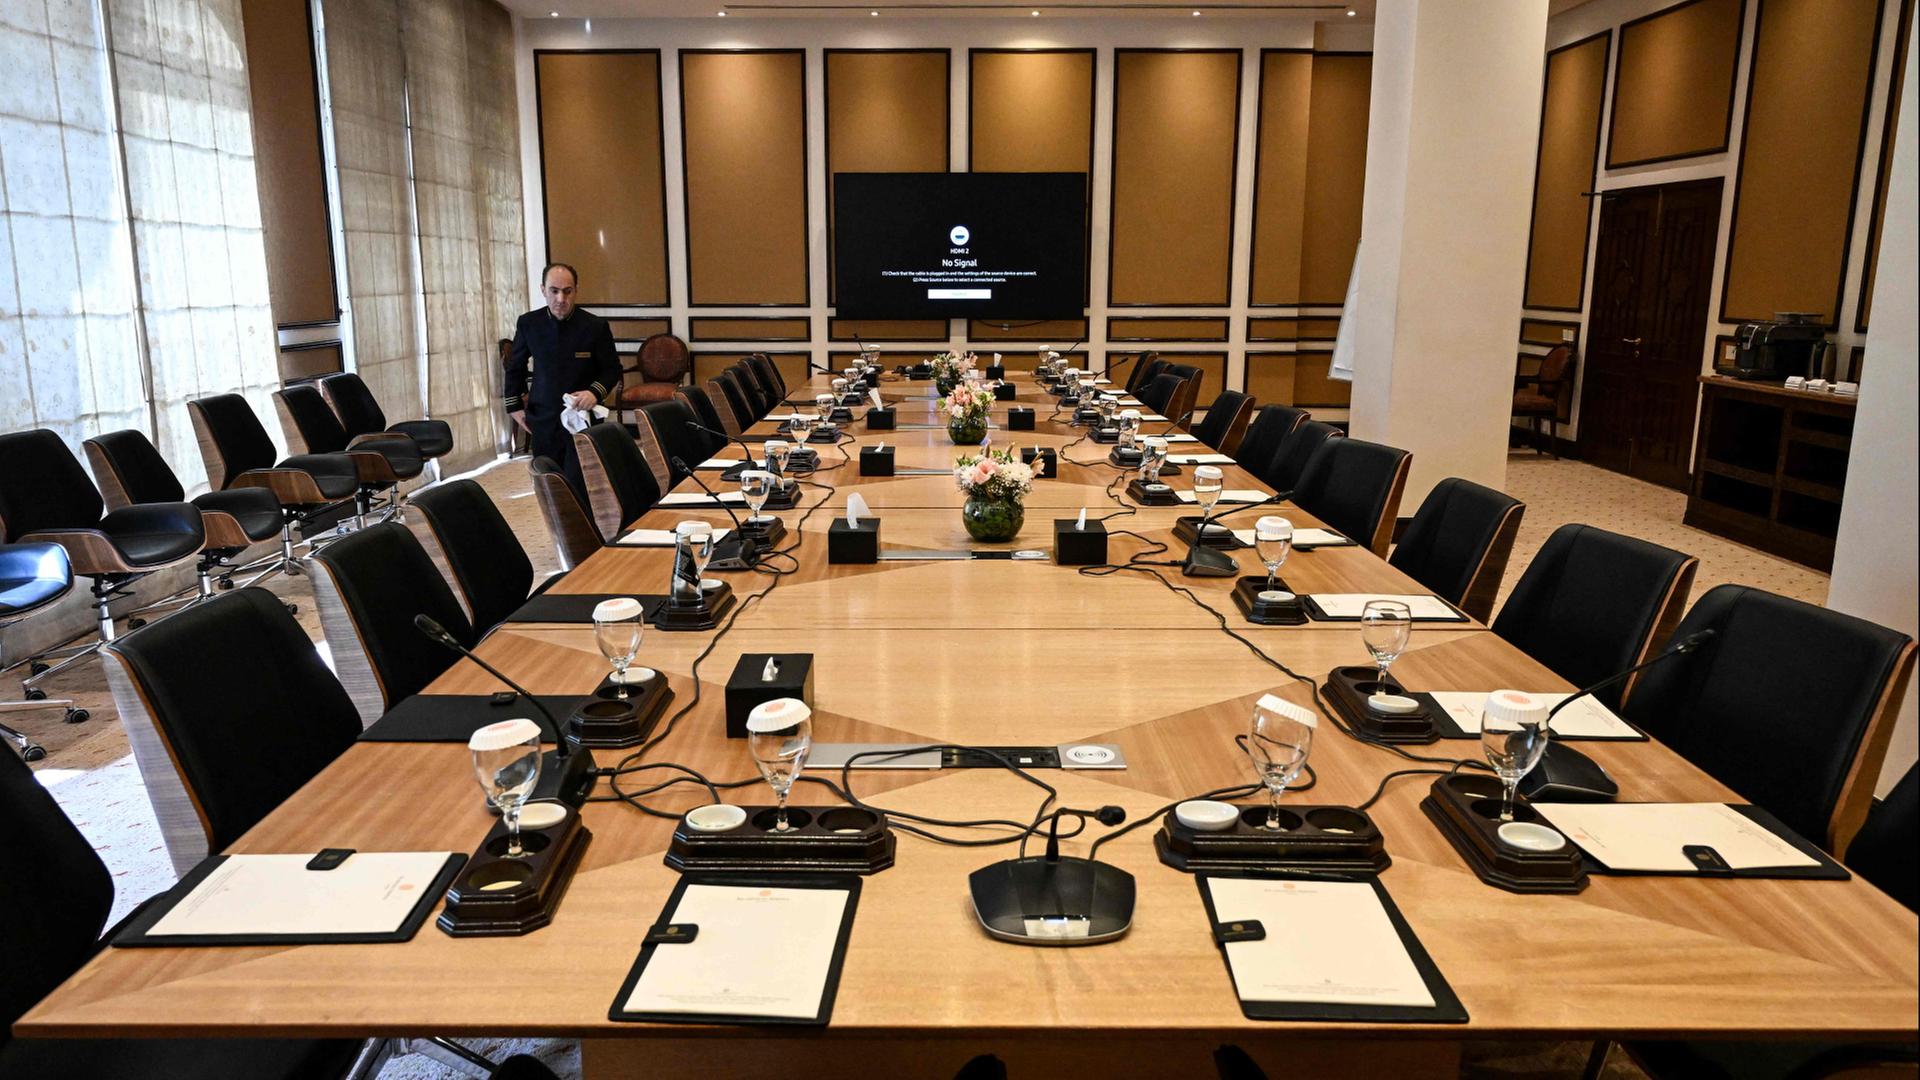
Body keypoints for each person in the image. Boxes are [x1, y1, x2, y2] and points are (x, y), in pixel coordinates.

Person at [503, 263, 621, 485]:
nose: (561, 299)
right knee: (550, 483)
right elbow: (515, 367)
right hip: (543, 417)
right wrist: (513, 407)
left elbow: (612, 369)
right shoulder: (529, 323)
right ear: (543, 290)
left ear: (576, 290)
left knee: (584, 482)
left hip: (584, 417)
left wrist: (594, 393)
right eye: (554, 291)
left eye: (567, 291)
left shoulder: (595, 326)